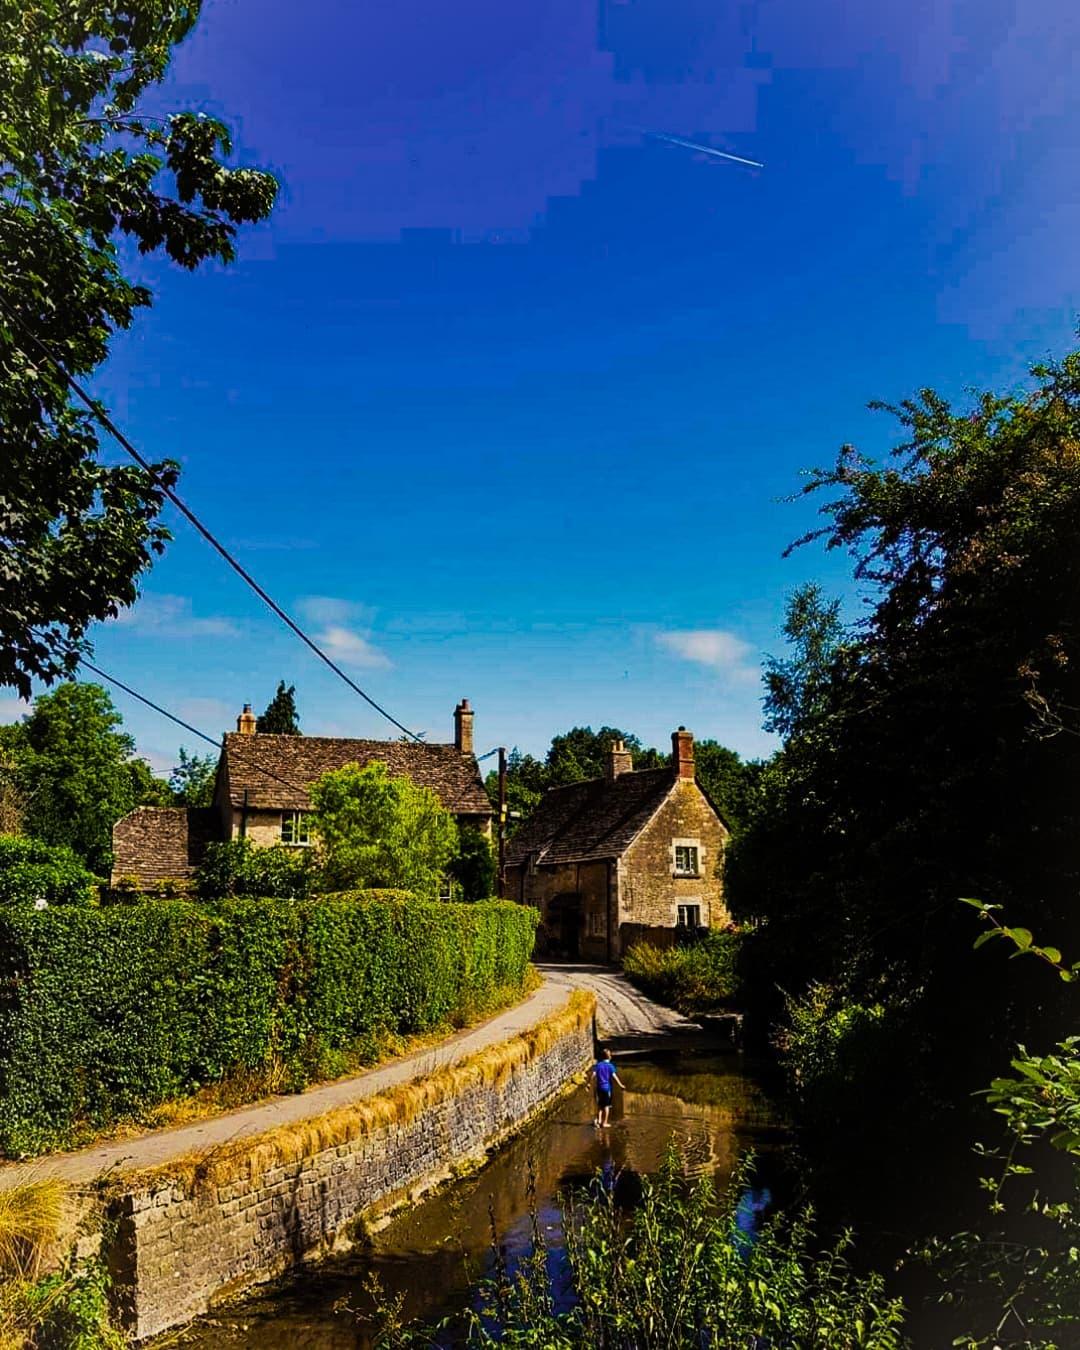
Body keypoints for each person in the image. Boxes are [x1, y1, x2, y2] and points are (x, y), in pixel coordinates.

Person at [591, 1047, 625, 1128]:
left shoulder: (598, 1065)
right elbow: (614, 1077)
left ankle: (599, 1120)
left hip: (599, 1088)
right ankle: (604, 1123)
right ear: (609, 1056)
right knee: (606, 1106)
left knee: (600, 1105)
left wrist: (589, 1084)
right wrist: (621, 1085)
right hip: (606, 1088)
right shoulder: (610, 1066)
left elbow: (593, 1075)